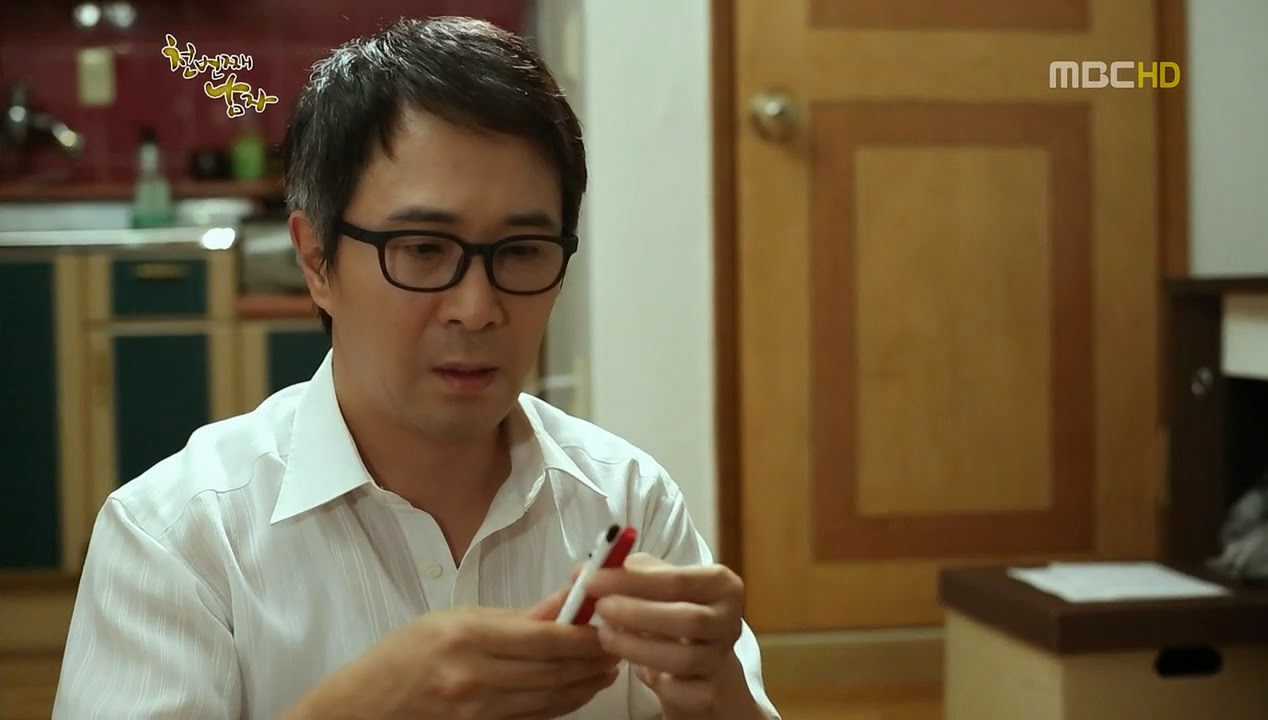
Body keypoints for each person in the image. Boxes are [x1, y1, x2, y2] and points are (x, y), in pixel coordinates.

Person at [52, 15, 781, 720]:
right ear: (316, 260)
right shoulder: (179, 542)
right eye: (424, 250)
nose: (477, 308)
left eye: (522, 252)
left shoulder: (628, 502)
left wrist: (718, 696)